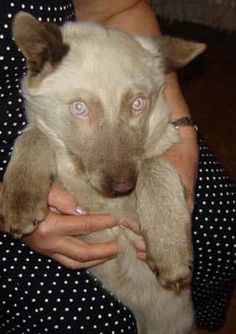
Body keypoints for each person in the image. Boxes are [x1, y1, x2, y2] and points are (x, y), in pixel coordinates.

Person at [0, 0, 235, 333]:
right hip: (32, 118)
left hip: (102, 68)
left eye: (137, 104)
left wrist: (182, 139)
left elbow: (118, 9)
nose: (121, 177)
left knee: (225, 227)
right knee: (96, 323)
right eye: (82, 109)